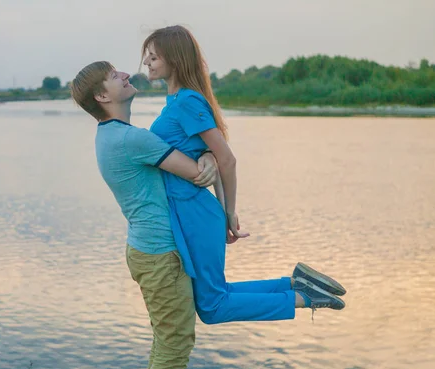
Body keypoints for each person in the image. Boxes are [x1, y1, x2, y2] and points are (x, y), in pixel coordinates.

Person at [141, 25, 346, 325]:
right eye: (146, 56)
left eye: (154, 56)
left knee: (212, 307)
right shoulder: (176, 101)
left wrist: (229, 212)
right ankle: (293, 284)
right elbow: (206, 157)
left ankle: (305, 298)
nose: (146, 61)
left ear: (175, 58)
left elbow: (226, 159)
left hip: (196, 214)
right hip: (189, 213)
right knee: (216, 295)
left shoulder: (187, 101)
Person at [71, 61, 218, 369]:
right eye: (113, 76)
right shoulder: (131, 139)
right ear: (102, 95)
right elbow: (198, 173)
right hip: (160, 255)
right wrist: (210, 152)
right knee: (175, 348)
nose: (124, 75)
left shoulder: (109, 135)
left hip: (146, 251)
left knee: (165, 344)